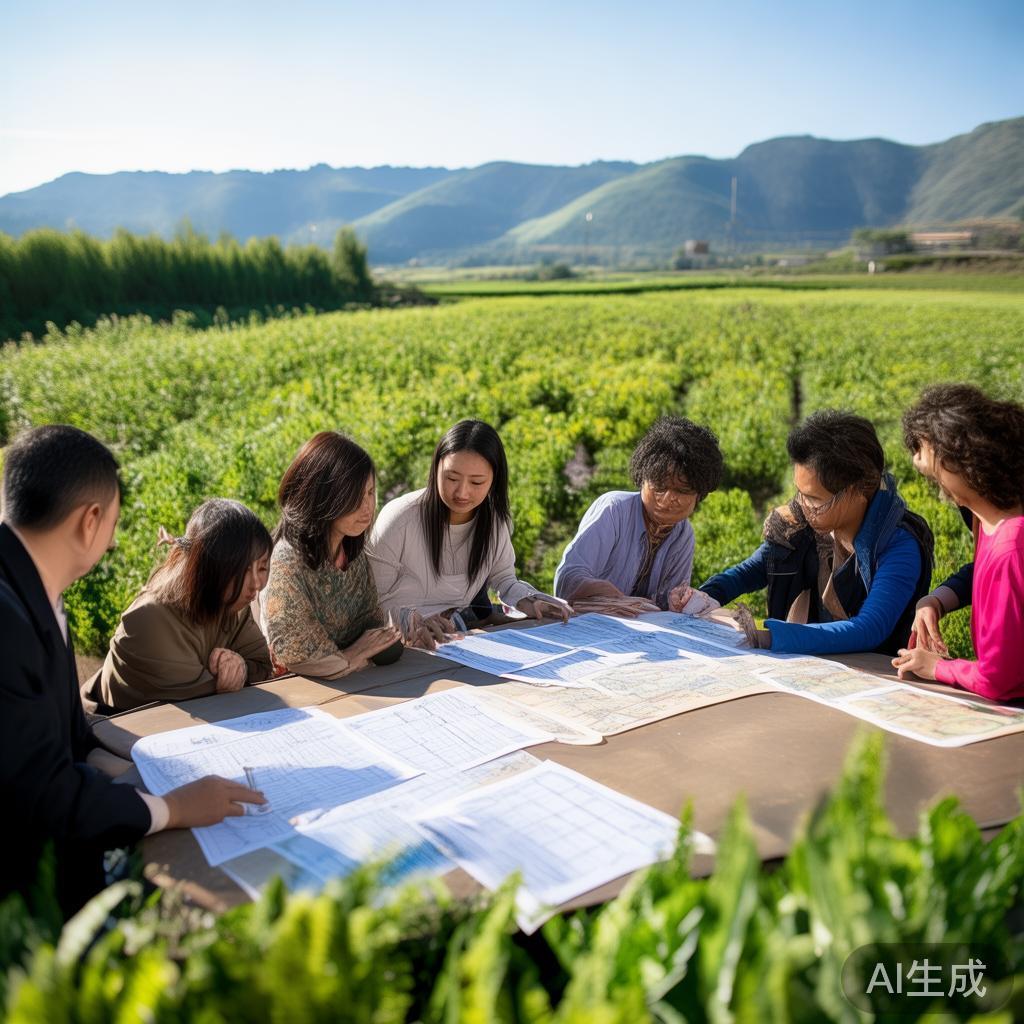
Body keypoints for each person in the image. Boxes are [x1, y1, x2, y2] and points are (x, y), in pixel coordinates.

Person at [0, 425, 264, 916]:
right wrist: (173, 808)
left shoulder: (31, 591)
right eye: (115, 524)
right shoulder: (8, 622)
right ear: (90, 520)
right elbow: (43, 791)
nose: (114, 542)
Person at [695, 411, 934, 655]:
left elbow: (869, 629)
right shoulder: (799, 526)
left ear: (859, 490)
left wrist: (768, 637)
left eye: (814, 499)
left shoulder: (898, 545)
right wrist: (704, 597)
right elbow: (749, 572)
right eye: (800, 493)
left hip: (871, 673)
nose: (803, 506)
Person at [368, 419, 569, 647]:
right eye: (452, 478)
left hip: (454, 641)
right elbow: (371, 601)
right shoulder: (400, 518)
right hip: (397, 643)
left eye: (476, 482)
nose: (462, 492)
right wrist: (411, 622)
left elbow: (504, 579)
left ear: (494, 481)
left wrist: (530, 601)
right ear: (436, 469)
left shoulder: (493, 522)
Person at [892, 385, 1024, 700]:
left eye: (929, 456)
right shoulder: (988, 520)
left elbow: (998, 678)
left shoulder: (1012, 543)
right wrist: (936, 600)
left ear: (964, 458)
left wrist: (937, 667)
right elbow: (982, 571)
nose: (922, 465)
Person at [83, 499, 275, 712]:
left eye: (262, 568)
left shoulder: (232, 605)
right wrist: (231, 675)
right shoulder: (149, 619)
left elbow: (263, 666)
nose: (257, 585)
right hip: (112, 729)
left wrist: (240, 666)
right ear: (209, 568)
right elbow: (200, 698)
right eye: (245, 569)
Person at [261, 431, 401, 677]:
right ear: (322, 497)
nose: (367, 507)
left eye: (370, 493)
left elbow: (371, 626)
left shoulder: (351, 549)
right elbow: (297, 654)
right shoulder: (287, 560)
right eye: (355, 496)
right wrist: (355, 653)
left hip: (355, 679)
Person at [554, 416, 723, 615]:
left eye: (682, 491)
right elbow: (568, 578)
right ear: (642, 479)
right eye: (660, 487)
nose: (668, 498)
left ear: (699, 495)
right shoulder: (614, 510)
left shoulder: (683, 535)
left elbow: (667, 608)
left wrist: (678, 600)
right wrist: (601, 591)